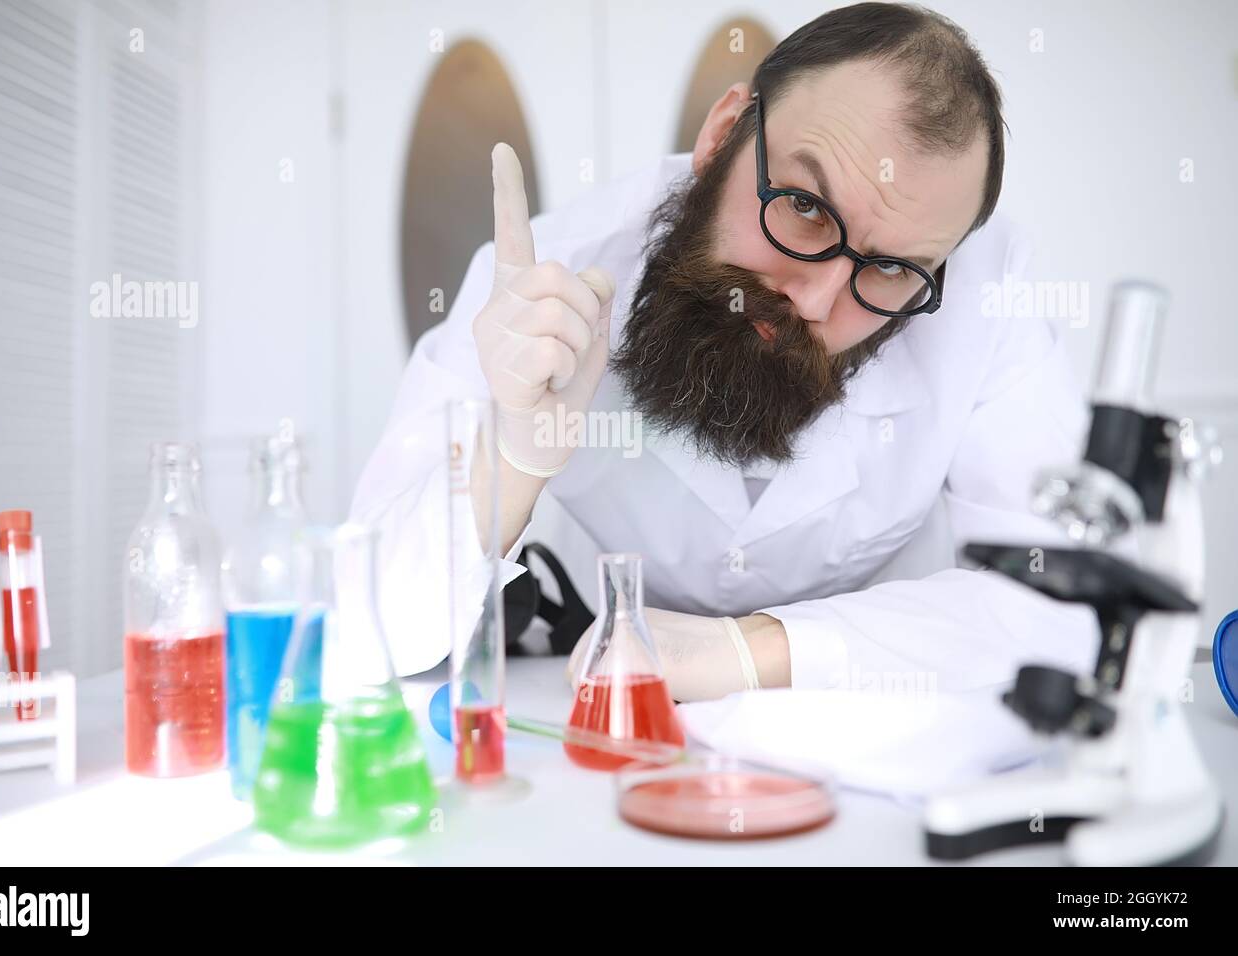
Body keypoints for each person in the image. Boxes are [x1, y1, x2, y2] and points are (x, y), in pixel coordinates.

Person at [352, 2, 1098, 700]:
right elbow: (369, 630)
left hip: (857, 745)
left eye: (890, 270)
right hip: (591, 721)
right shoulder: (544, 277)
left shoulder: (980, 297)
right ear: (721, 137)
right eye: (805, 208)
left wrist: (750, 652)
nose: (814, 300)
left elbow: (1071, 601)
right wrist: (512, 457)